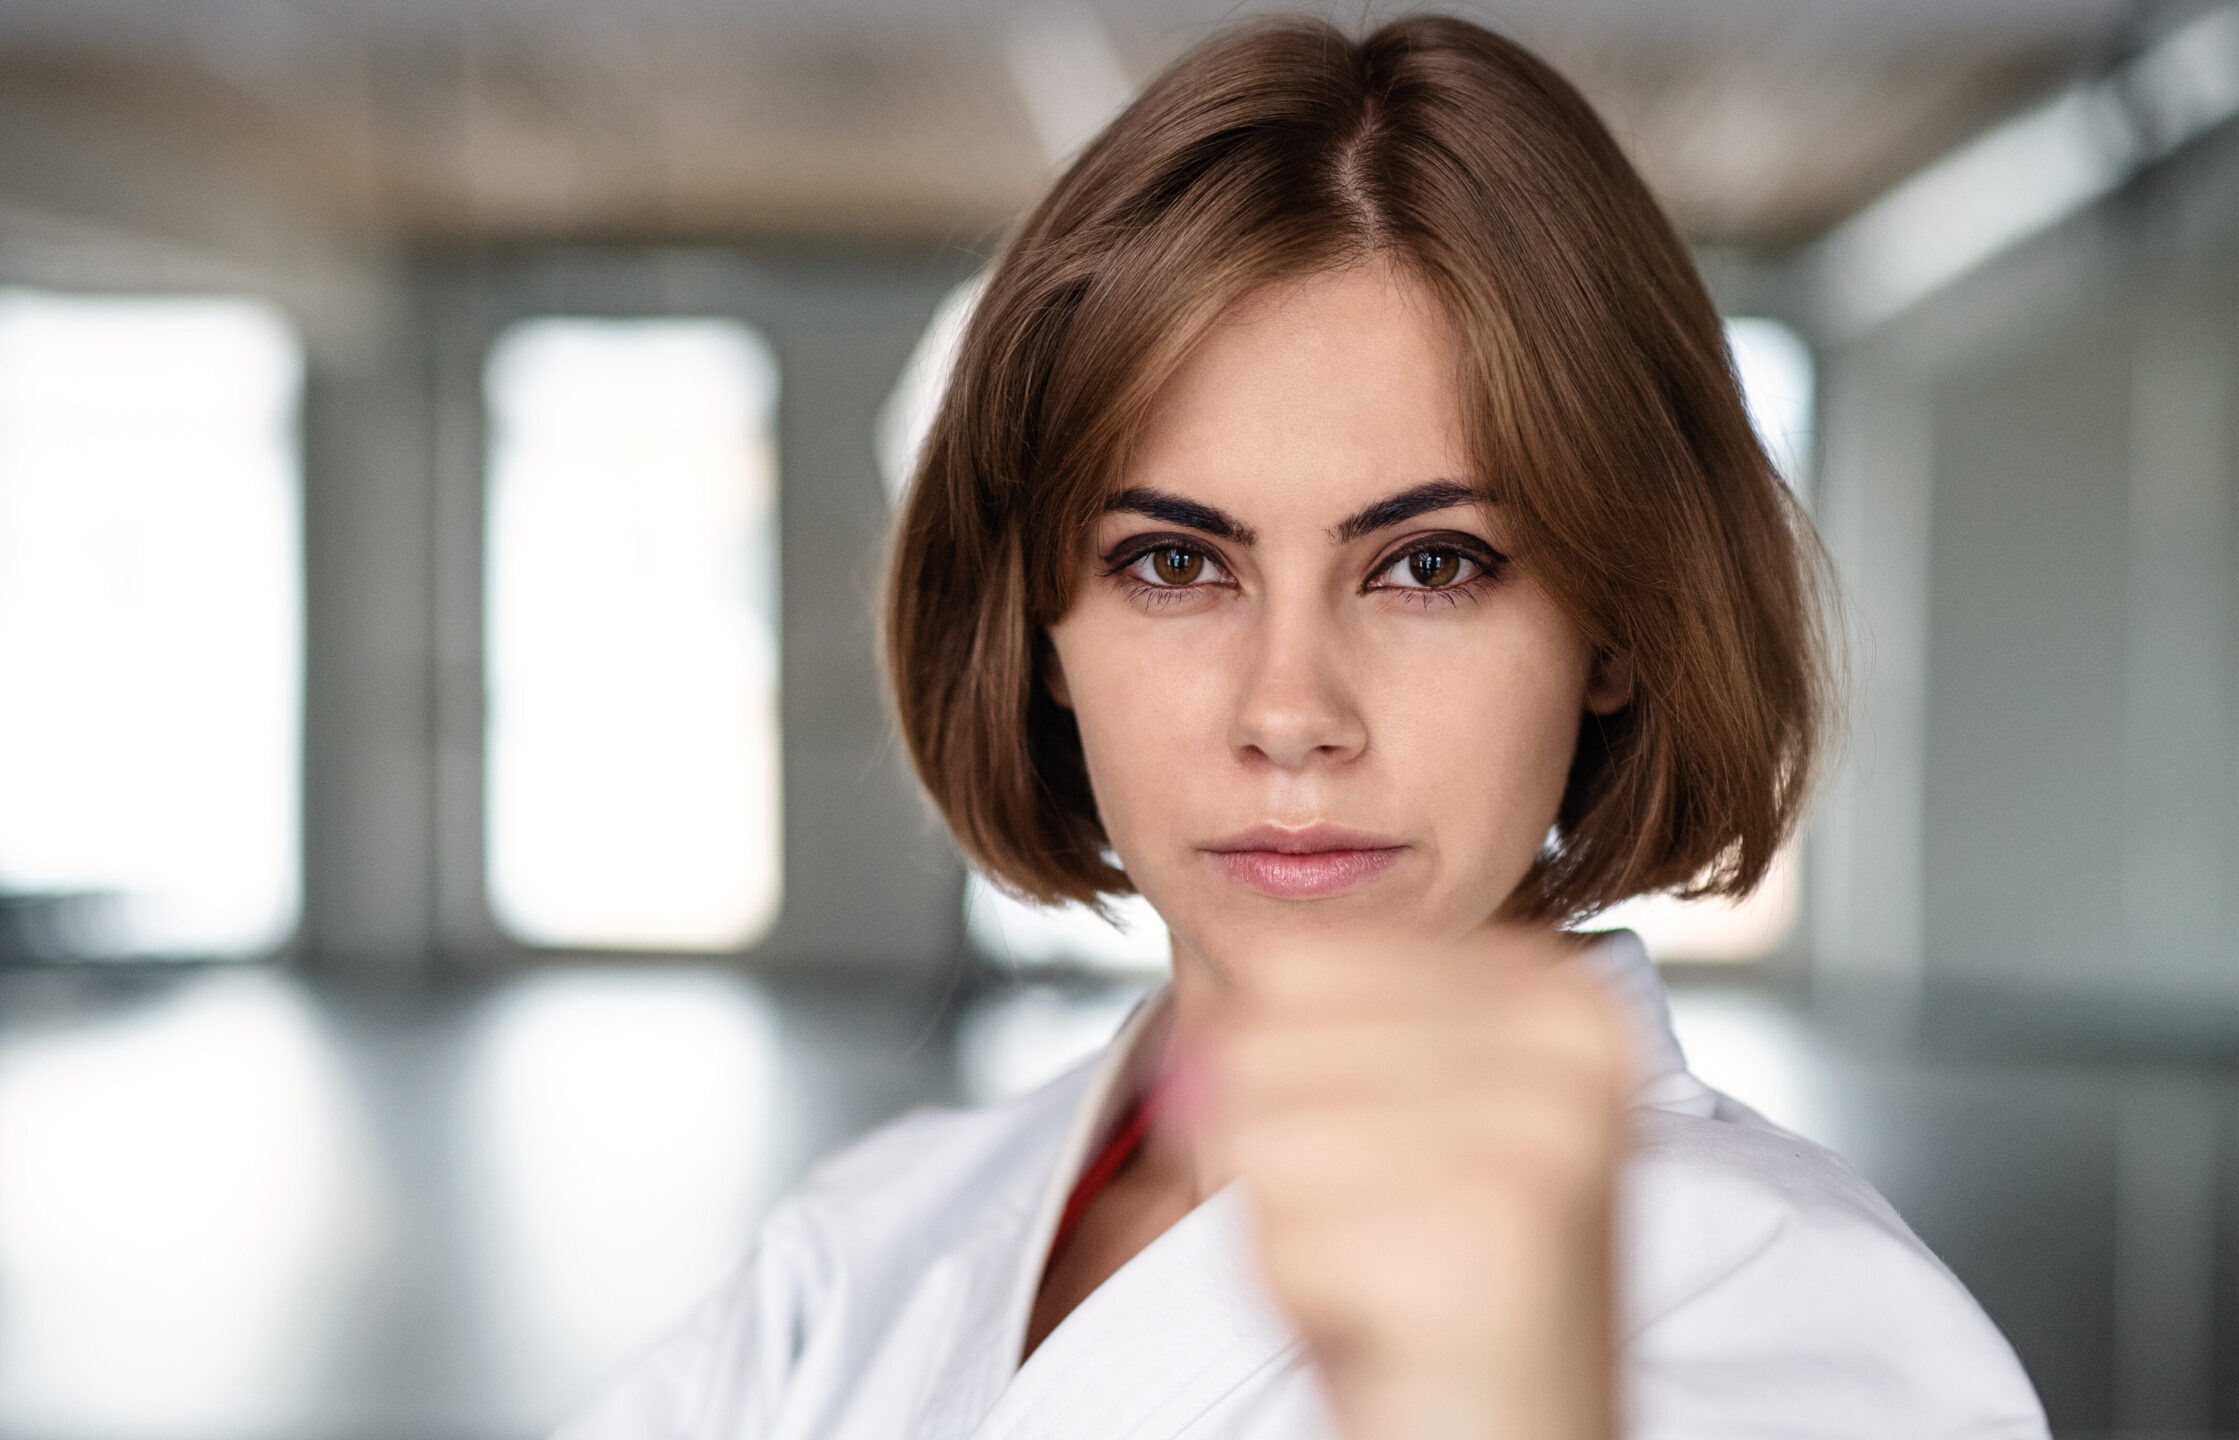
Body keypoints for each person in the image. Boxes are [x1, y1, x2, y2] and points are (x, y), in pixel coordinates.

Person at [555, 14, 2047, 1440]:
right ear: (1040, 632)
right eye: (1173, 562)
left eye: (1431, 565)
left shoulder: (1809, 1320)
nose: (1290, 713)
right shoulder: (875, 1240)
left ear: (1617, 623)